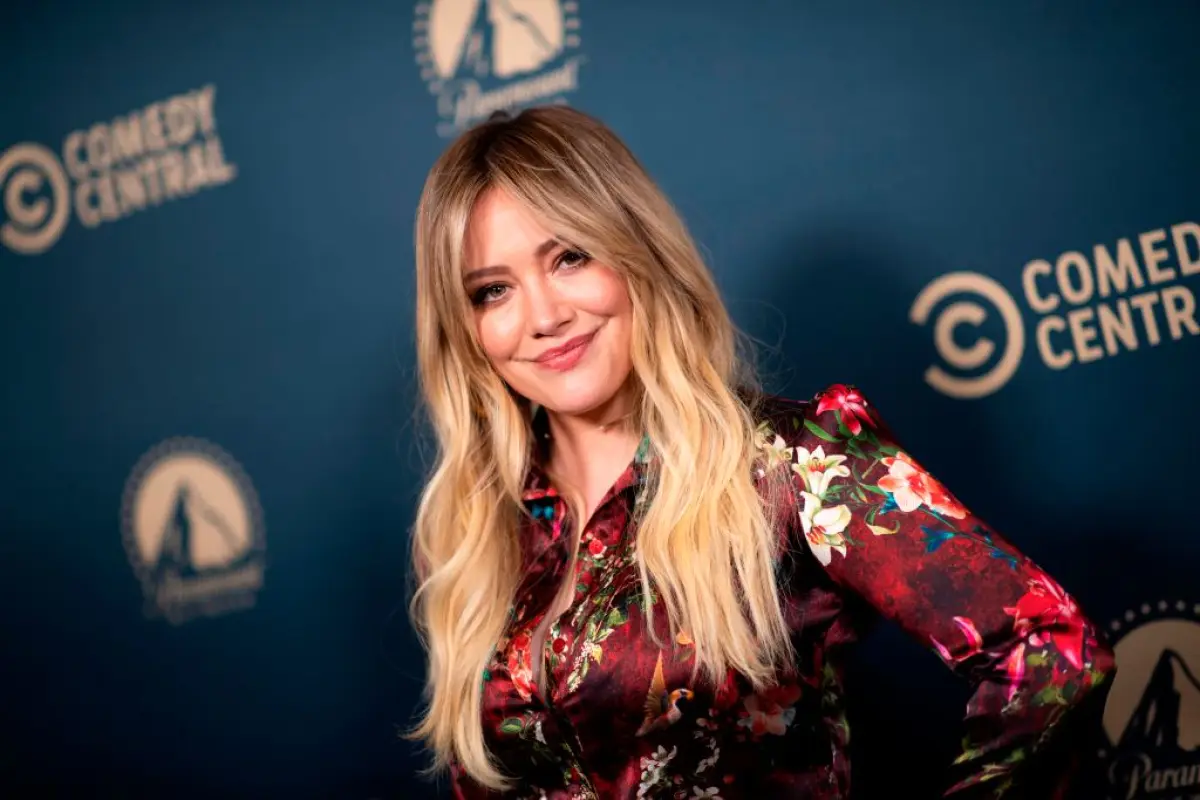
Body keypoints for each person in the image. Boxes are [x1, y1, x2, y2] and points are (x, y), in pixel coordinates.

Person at [405, 105, 1116, 799]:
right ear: (466, 329)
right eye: (493, 291)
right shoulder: (474, 536)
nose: (543, 316)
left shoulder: (795, 463)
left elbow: (1052, 651)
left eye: (569, 257)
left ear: (635, 253)